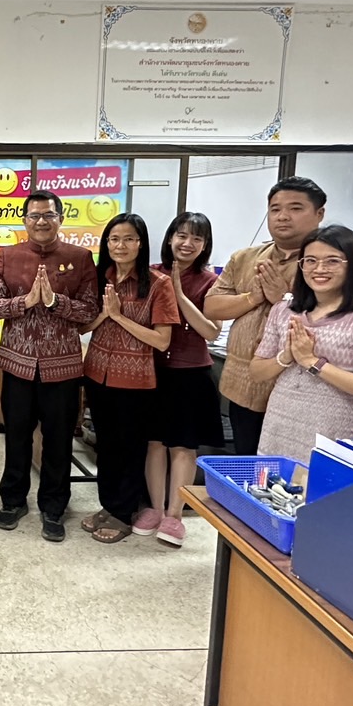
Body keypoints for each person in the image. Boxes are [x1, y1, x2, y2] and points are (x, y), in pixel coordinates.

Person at [205, 177, 353, 456]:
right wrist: (254, 297)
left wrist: (284, 297)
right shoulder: (245, 258)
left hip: (305, 396)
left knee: (297, 476)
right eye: (275, 209)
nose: (283, 216)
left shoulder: (351, 261)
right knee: (250, 469)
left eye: (295, 208)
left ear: (319, 213)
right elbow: (212, 307)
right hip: (244, 385)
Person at [0, 190, 99, 542]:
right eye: (34, 215)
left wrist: (55, 301)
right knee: (16, 436)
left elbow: (90, 310)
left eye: (48, 215)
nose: (40, 221)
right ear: (24, 221)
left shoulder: (80, 258)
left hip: (63, 368)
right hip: (18, 364)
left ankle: (54, 506)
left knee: (59, 441)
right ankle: (13, 500)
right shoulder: (6, 256)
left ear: (60, 219)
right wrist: (26, 301)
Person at [248, 225, 353, 462]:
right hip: (279, 424)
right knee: (270, 491)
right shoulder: (284, 310)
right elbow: (257, 372)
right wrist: (287, 356)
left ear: (352, 266)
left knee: (320, 493)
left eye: (332, 261)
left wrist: (313, 362)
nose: (319, 269)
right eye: (310, 261)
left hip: (331, 431)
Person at [78, 213, 179, 545]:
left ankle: (124, 513)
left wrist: (119, 317)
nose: (120, 246)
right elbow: (83, 327)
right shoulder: (99, 278)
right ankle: (108, 505)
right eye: (114, 239)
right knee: (104, 445)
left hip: (135, 380)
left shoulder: (158, 284)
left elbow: (161, 340)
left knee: (130, 448)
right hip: (97, 373)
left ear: (141, 243)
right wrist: (104, 316)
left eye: (129, 239)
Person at [145, 212, 223, 548]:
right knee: (153, 442)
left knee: (183, 445)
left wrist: (176, 291)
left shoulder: (211, 281)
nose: (187, 243)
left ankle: (175, 516)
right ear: (169, 238)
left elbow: (210, 330)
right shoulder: (150, 273)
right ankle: (154, 507)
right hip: (152, 370)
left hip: (191, 372)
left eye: (196, 238)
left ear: (205, 245)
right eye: (181, 235)